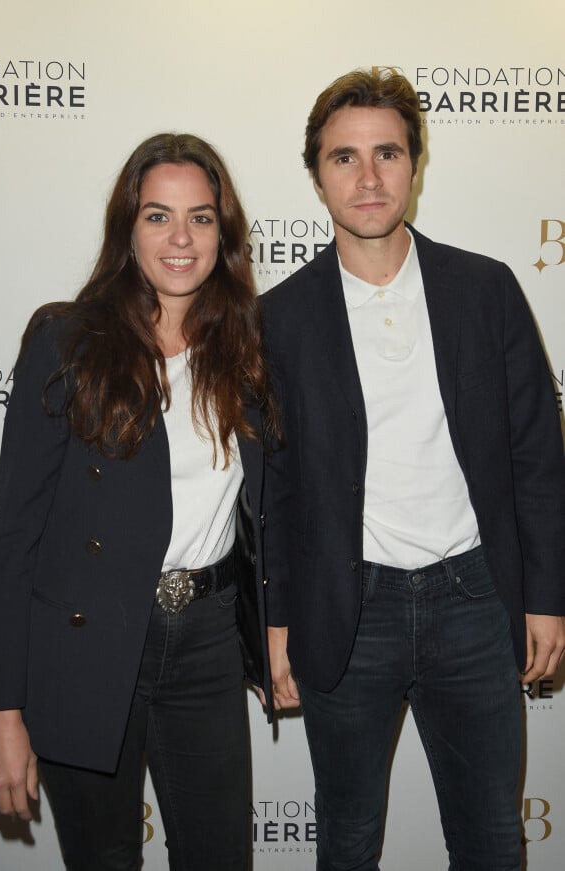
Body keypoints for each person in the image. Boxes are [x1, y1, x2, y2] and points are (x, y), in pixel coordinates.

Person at [261, 68, 565, 870]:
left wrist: (545, 595)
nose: (368, 177)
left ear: (415, 164)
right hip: (347, 607)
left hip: (473, 597)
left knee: (493, 838)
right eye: (344, 158)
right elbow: (275, 488)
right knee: (350, 840)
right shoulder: (280, 318)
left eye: (387, 153)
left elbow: (536, 454)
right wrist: (275, 618)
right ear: (318, 175)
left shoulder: (485, 288)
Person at [0, 132, 276, 871]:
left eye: (201, 217)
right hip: (86, 640)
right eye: (158, 215)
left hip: (207, 638)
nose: (181, 238)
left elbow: (280, 511)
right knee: (104, 859)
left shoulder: (247, 349)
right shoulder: (67, 344)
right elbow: (13, 540)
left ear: (224, 231)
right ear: (128, 229)